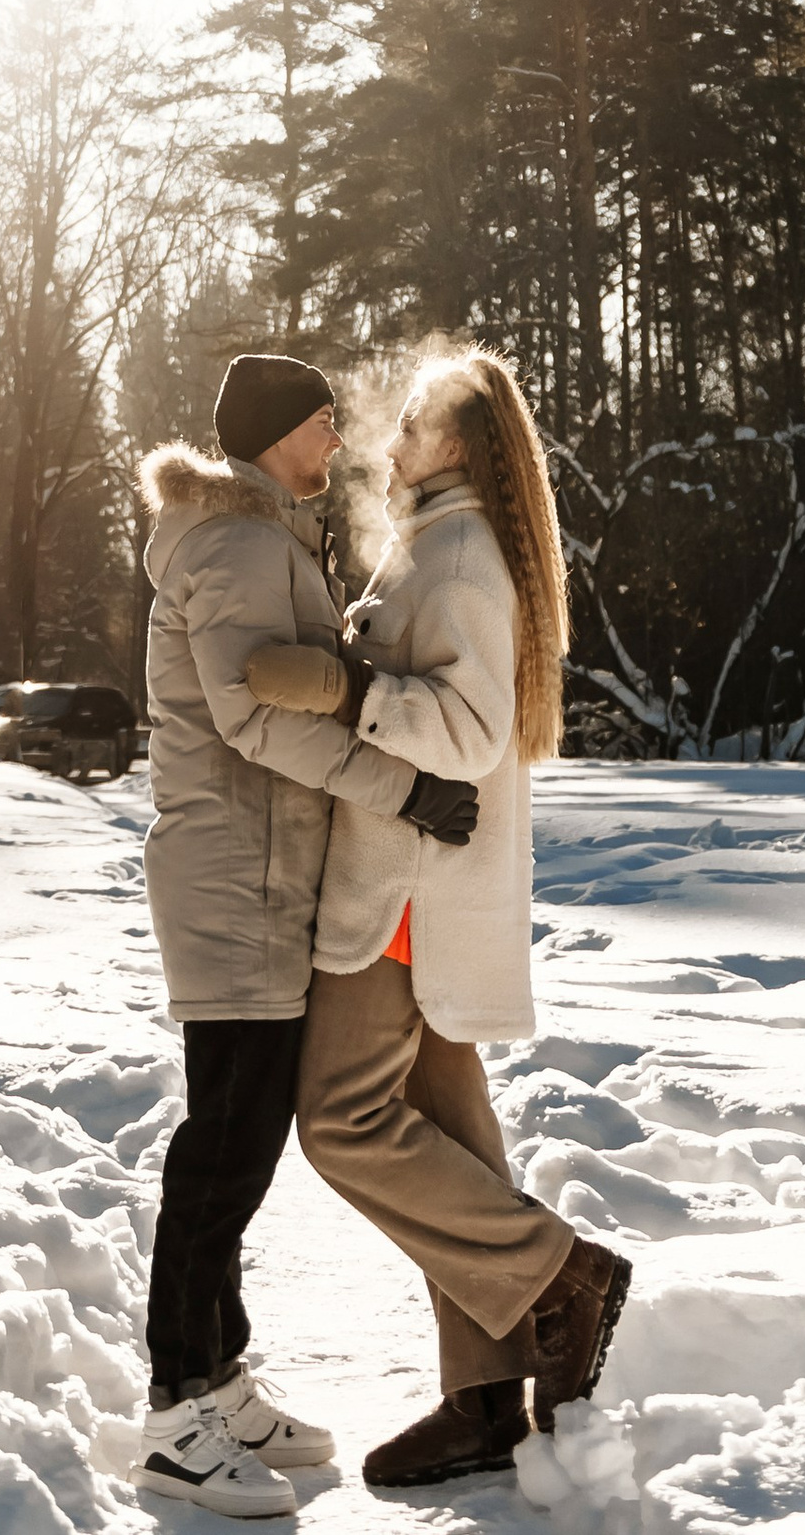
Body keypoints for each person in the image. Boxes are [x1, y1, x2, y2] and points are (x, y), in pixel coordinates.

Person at [254, 345, 628, 1488]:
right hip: (416, 887)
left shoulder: (458, 556)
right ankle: (482, 1399)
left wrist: (348, 688)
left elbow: (466, 735)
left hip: (402, 897)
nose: (393, 438)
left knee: (342, 1120)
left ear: (460, 442)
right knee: (452, 1143)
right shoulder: (442, 540)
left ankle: (562, 1274)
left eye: (414, 423)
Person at [136, 349, 483, 1517]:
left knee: (243, 1136)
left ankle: (219, 1377)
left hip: (262, 871)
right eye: (322, 420)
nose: (337, 439)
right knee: (224, 1147)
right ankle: (175, 1411)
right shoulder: (238, 544)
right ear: (277, 430)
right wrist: (405, 787)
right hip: (234, 874)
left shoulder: (265, 535)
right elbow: (254, 720)